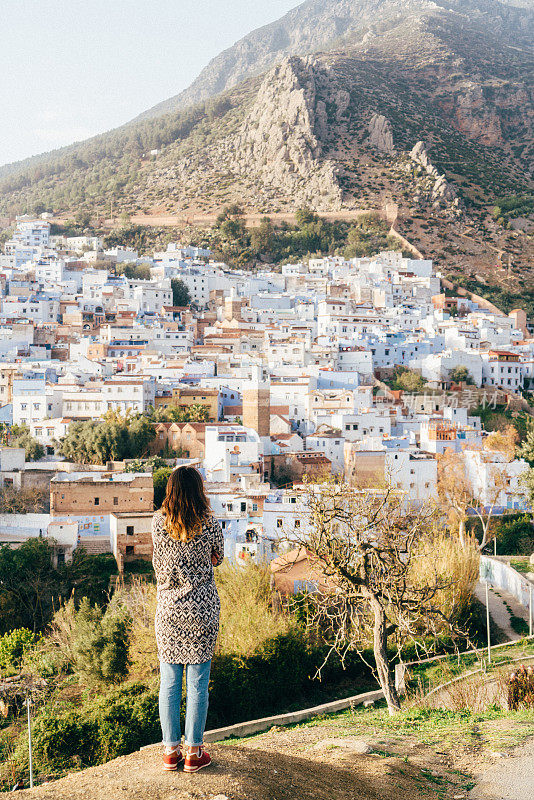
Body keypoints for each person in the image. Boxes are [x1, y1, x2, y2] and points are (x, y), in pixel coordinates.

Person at [152, 466, 224, 773]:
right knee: (197, 684)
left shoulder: (157, 522)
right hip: (202, 611)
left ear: (170, 490)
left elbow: (158, 558)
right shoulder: (208, 522)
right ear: (198, 490)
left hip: (168, 611)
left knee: (169, 683)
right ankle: (194, 752)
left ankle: (170, 751)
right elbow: (217, 557)